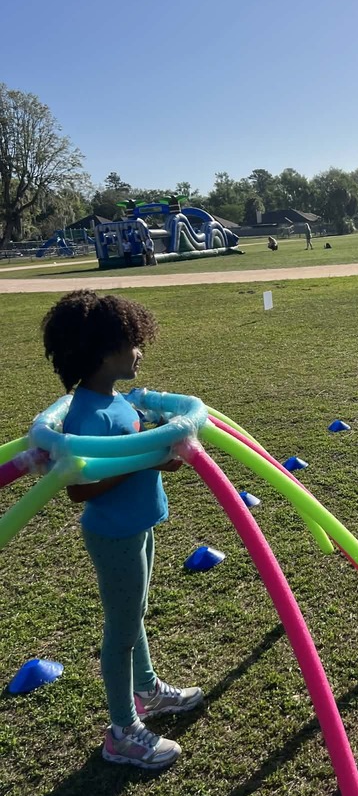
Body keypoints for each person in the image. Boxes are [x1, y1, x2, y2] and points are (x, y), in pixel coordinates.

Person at [41, 290, 204, 770]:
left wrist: (159, 456)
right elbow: (79, 488)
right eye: (132, 342)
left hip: (138, 523)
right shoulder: (85, 415)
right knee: (122, 630)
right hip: (114, 533)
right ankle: (122, 732)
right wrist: (145, 455)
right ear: (102, 352)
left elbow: (144, 457)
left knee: (135, 616)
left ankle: (148, 691)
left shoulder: (120, 403)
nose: (140, 350)